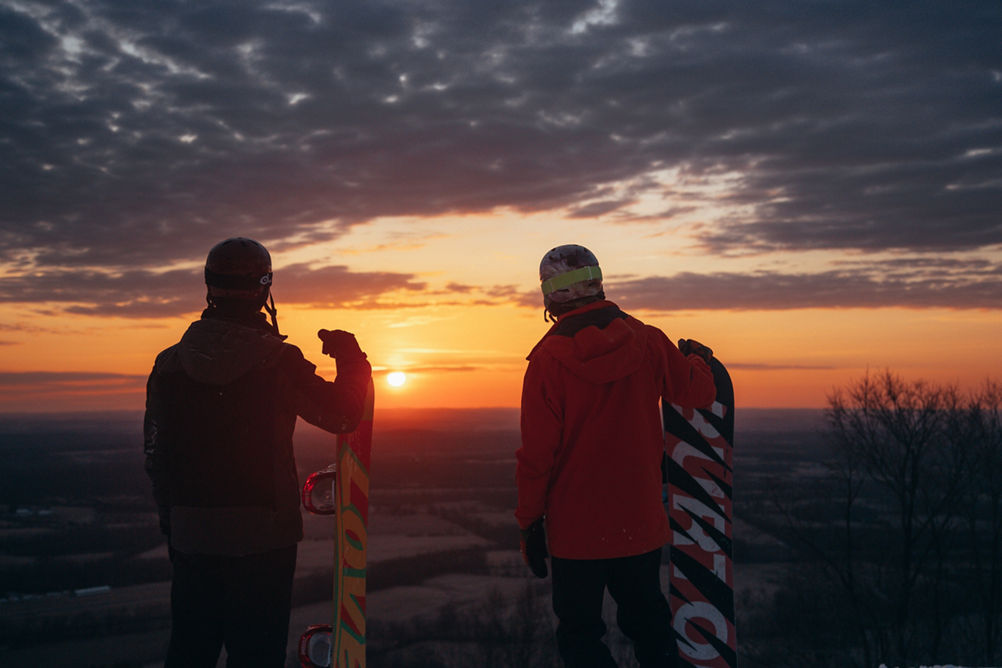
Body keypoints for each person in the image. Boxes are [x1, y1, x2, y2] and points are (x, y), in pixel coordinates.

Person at [144, 237, 372, 668]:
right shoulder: (277, 362)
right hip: (264, 539)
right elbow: (343, 416)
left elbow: (156, 454)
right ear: (263, 288)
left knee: (190, 651)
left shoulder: (169, 364)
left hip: (192, 534)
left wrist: (173, 524)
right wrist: (352, 359)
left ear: (209, 286)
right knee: (257, 655)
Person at [515, 244, 716, 668]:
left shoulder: (547, 362)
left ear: (549, 297)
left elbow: (536, 456)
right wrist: (698, 360)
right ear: (599, 283)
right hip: (639, 523)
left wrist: (530, 523)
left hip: (576, 532)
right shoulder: (648, 342)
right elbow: (699, 392)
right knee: (650, 626)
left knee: (580, 637)